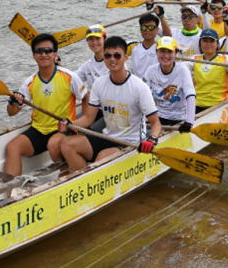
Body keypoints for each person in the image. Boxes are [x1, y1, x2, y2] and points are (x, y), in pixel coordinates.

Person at [59, 36, 161, 172]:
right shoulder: (99, 83)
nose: (112, 59)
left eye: (117, 55)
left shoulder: (139, 87)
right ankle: (86, 180)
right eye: (108, 55)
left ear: (125, 58)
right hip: (107, 136)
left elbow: (155, 123)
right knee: (67, 144)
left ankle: (90, 178)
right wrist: (69, 124)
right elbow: (88, 118)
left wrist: (152, 140)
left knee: (102, 157)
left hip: (130, 142)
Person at [4, 34, 88, 177]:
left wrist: (82, 123)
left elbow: (86, 97)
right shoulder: (30, 82)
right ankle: (11, 193)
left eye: (48, 50)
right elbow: (12, 112)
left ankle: (64, 178)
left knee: (54, 144)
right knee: (12, 147)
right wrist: (13, 102)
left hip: (63, 129)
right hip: (39, 130)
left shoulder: (69, 76)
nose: (43, 54)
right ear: (34, 56)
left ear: (55, 55)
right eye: (39, 51)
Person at [142, 37, 196, 129]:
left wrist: (190, 122)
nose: (166, 55)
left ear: (175, 53)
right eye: (162, 51)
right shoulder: (151, 70)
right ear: (156, 52)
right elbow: (141, 95)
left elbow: (190, 96)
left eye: (170, 52)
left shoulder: (183, 70)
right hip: (157, 117)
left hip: (179, 119)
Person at [192, 29, 228, 112]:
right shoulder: (195, 59)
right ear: (200, 45)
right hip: (198, 104)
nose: (208, 44)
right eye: (205, 41)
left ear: (217, 45)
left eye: (212, 41)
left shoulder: (226, 60)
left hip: (220, 105)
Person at [127, 7, 171, 79]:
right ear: (140, 30)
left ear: (157, 29)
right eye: (144, 27)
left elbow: (168, 37)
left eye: (151, 27)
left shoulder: (160, 48)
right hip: (135, 85)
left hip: (153, 85)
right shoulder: (132, 46)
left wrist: (161, 17)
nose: (147, 30)